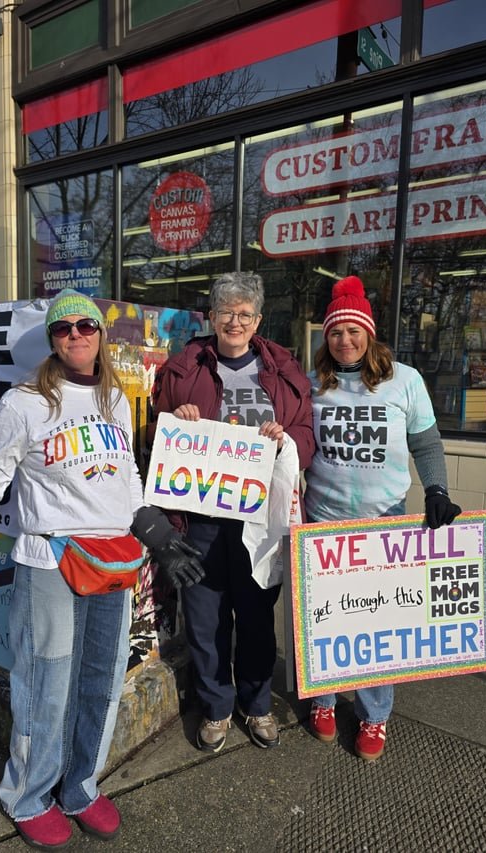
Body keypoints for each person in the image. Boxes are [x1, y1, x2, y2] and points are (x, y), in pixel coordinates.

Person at [0, 288, 203, 852]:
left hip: (113, 563)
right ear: (52, 339)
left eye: (85, 326)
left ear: (100, 334)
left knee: (101, 681)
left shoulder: (114, 399)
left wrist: (162, 538)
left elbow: (126, 481)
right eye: (63, 328)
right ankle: (28, 795)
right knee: (46, 687)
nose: (75, 335)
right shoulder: (25, 402)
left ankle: (79, 786)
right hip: (50, 562)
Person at [148, 271, 315, 753]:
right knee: (206, 619)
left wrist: (285, 441)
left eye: (245, 313)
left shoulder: (284, 370)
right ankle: (217, 707)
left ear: (258, 320)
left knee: (257, 617)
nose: (235, 322)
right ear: (212, 317)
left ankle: (257, 703)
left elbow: (307, 435)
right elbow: (158, 435)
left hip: (260, 519)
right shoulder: (184, 369)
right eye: (226, 312)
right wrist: (176, 421)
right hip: (200, 519)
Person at [304, 275, 462, 761]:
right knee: (325, 618)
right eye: (335, 332)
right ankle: (324, 699)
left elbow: (427, 445)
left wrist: (436, 490)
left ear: (369, 334)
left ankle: (374, 714)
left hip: (384, 521)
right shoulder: (312, 383)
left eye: (353, 331)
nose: (344, 340)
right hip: (324, 518)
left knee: (376, 622)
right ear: (326, 338)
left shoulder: (405, 380)